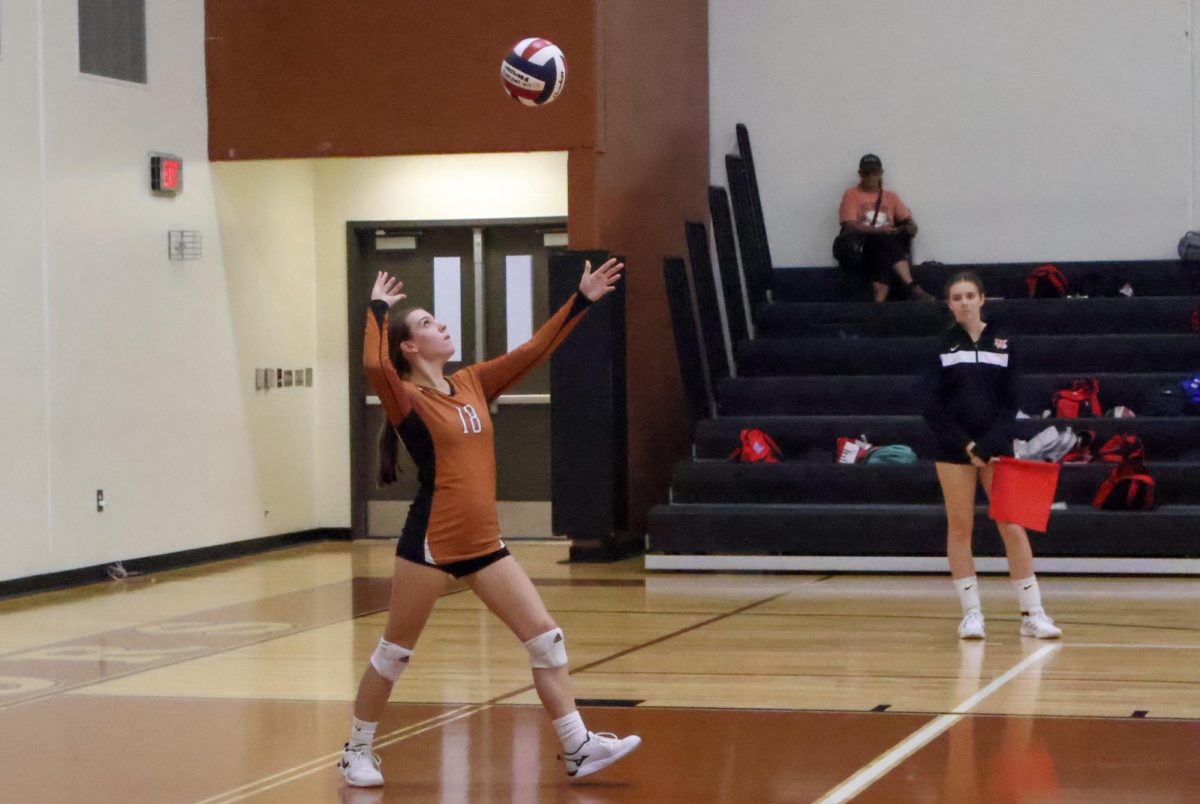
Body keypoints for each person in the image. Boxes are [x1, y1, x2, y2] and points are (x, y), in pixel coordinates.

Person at [340, 259, 641, 788]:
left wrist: (582, 300)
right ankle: (356, 751)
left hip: (485, 545)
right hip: (432, 544)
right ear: (410, 347)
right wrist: (378, 310)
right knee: (394, 653)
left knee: (546, 640)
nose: (442, 327)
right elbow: (372, 365)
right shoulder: (407, 399)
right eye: (430, 324)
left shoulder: (472, 382)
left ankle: (578, 746)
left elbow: (534, 351)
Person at [920, 271, 1062, 641]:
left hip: (996, 448)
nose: (964, 302)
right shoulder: (940, 346)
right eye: (956, 297)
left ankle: (1033, 612)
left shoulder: (1004, 343)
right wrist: (966, 445)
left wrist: (988, 444)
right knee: (960, 527)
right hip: (953, 451)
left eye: (970, 295)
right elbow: (931, 405)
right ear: (949, 304)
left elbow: (1012, 401)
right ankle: (971, 615)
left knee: (1012, 526)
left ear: (982, 299)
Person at [838, 154, 934, 302]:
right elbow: (849, 224)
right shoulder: (852, 195)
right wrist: (879, 231)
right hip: (864, 246)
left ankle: (882, 293)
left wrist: (907, 228)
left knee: (887, 243)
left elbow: (907, 219)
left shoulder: (891, 197)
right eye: (866, 173)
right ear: (860, 174)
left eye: (874, 173)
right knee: (883, 240)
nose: (871, 177)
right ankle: (911, 285)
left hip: (886, 246)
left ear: (881, 173)